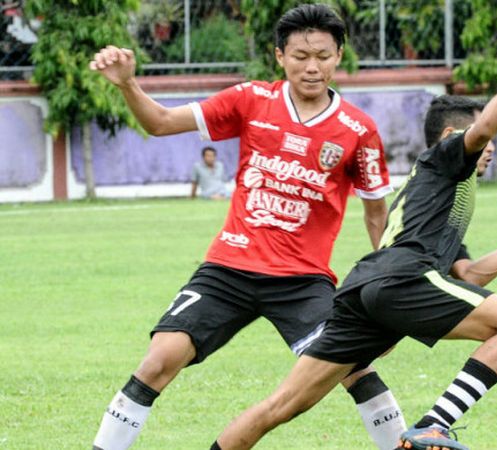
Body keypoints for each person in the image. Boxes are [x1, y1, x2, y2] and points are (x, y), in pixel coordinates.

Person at [208, 27, 497, 450]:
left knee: (282, 405)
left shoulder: (436, 197)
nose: (489, 145)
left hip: (369, 288)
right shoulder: (445, 160)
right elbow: (488, 123)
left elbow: (470, 276)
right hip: (403, 279)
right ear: (450, 138)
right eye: (481, 138)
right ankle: (434, 423)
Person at [88, 5, 409, 450]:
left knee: (352, 367)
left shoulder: (358, 130)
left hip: (302, 280)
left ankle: (402, 445)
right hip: (229, 269)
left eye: (322, 55)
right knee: (159, 360)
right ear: (280, 56)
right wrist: (127, 83)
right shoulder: (250, 100)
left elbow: (377, 211)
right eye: (299, 55)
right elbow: (160, 123)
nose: (311, 67)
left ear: (339, 56)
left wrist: (389, 280)